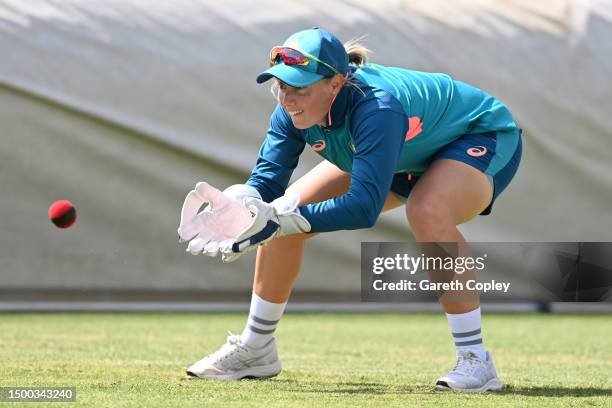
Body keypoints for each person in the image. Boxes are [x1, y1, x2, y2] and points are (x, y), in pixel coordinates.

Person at [179, 27, 522, 392]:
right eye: (282, 87)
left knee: (426, 211)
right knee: (282, 208)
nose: (289, 99)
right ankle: (256, 348)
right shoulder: (290, 110)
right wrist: (242, 206)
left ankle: (476, 361)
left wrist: (275, 223)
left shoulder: (378, 108)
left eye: (301, 89)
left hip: (478, 134)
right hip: (405, 148)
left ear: (336, 83)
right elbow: (266, 181)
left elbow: (363, 207)